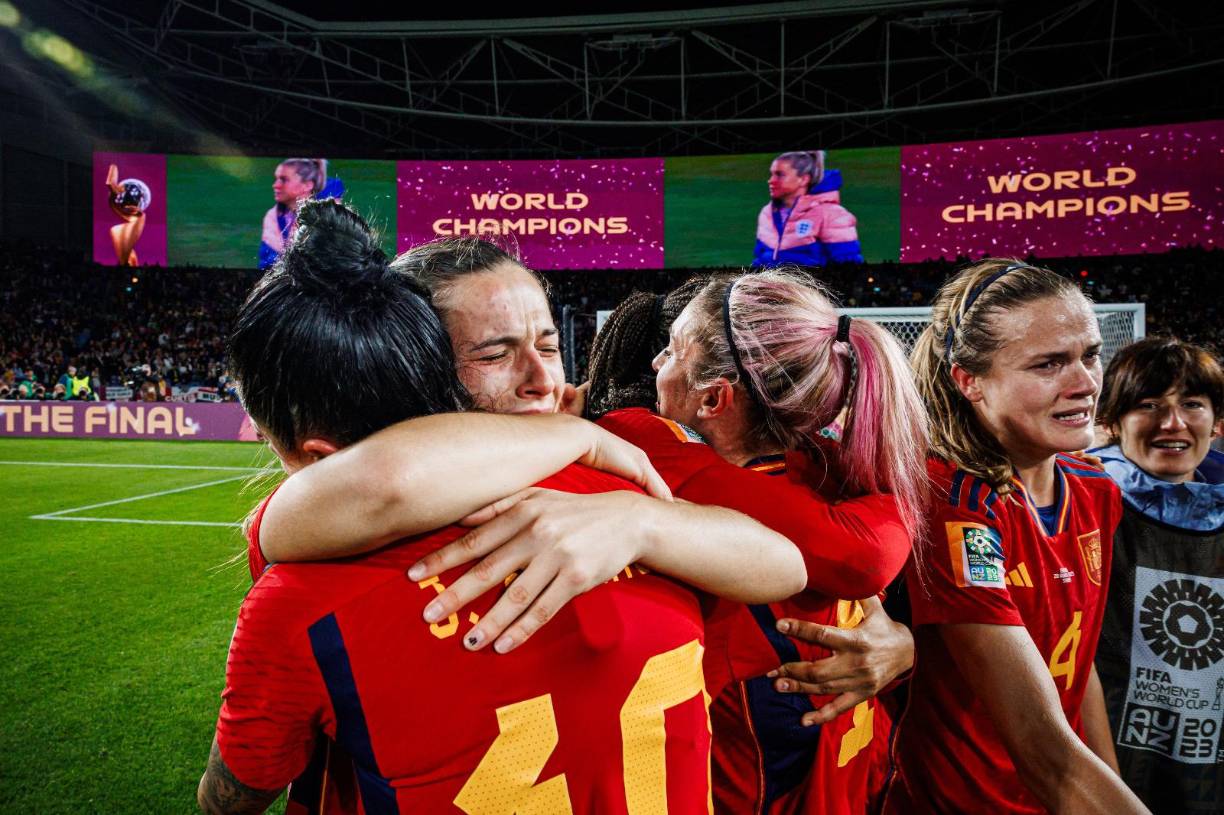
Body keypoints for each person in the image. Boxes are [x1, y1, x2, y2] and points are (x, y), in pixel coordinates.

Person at [199, 199, 793, 814]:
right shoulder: (630, 475)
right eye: (492, 354)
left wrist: (641, 518)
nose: (544, 381)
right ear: (418, 366)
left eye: (549, 345)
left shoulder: (310, 585)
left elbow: (230, 801)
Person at [571, 272, 924, 815]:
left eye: (673, 350)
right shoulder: (842, 473)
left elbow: (863, 558)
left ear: (714, 398)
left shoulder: (657, 454)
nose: (656, 364)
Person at [883, 259, 1150, 814]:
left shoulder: (1096, 489)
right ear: (969, 380)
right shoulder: (951, 504)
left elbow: (1076, 665)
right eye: (1049, 364)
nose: (1085, 384)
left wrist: (1108, 782)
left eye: (1090, 355)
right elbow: (1040, 748)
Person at [1091, 337, 1224, 815]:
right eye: (1148, 405)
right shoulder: (1078, 503)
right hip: (1109, 775)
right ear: (1111, 423)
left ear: (1216, 421)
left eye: (1192, 404)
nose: (1173, 423)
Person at [752, 150, 863, 268]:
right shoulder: (767, 213)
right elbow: (760, 257)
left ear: (804, 179)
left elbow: (848, 266)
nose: (771, 180)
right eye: (772, 174)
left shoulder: (831, 214)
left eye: (780, 175)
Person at [258, 158, 345, 270]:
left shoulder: (327, 209)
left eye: (284, 180)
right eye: (277, 179)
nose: (275, 185)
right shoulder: (273, 217)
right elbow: (268, 266)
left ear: (307, 185)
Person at [104, 163, 148, 266]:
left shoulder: (139, 216)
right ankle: (125, 263)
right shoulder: (138, 216)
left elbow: (110, 184)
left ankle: (125, 263)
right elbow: (110, 184)